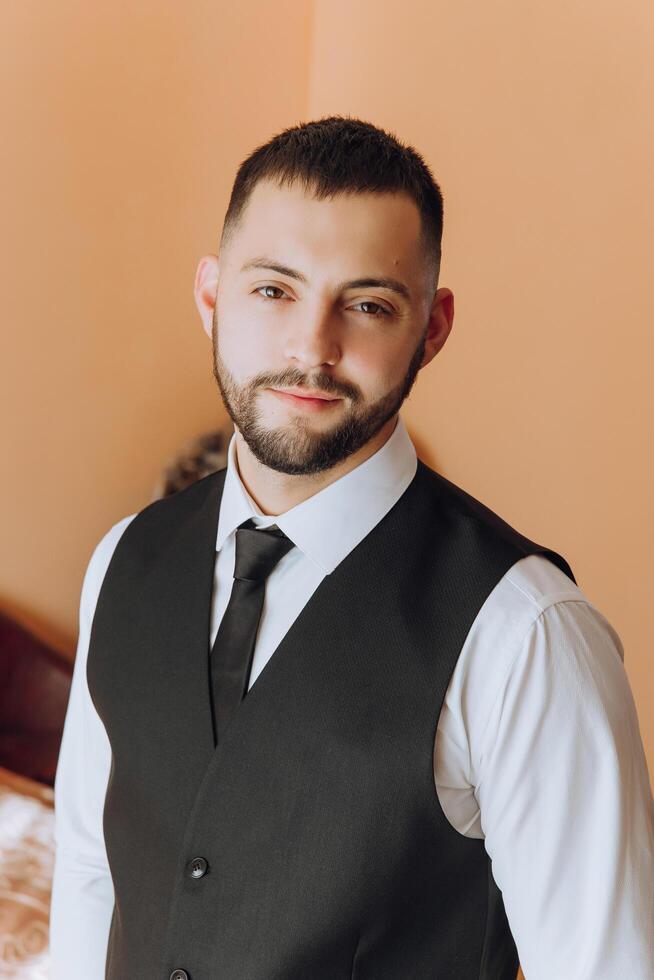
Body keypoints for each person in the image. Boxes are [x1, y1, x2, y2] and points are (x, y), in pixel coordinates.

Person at [49, 116, 654, 980]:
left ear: (433, 329)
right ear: (212, 297)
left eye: (368, 305)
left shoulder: (527, 634)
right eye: (274, 291)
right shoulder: (123, 560)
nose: (312, 348)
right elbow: (90, 869)